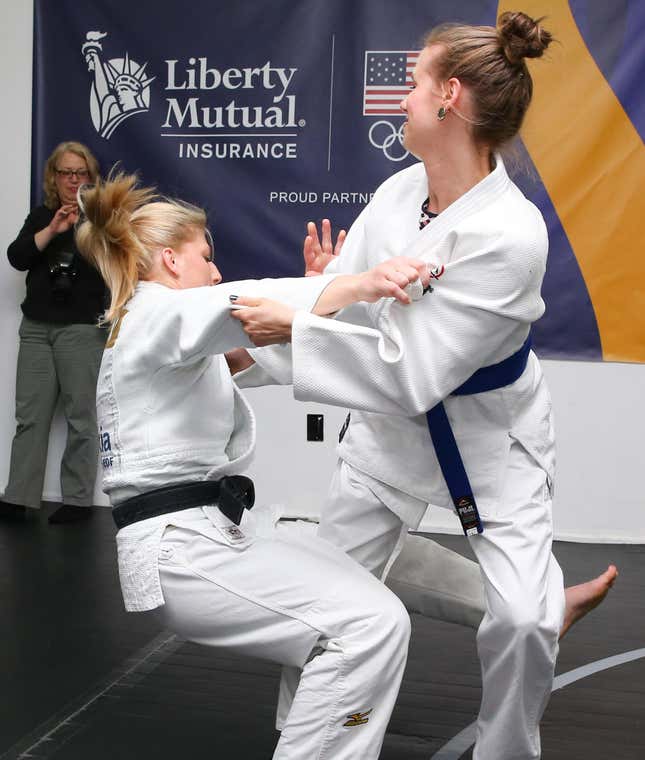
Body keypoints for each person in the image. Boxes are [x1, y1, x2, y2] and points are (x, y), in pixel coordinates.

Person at [228, 12, 617, 759]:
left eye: (410, 81)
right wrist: (300, 315)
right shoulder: (401, 192)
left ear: (450, 96)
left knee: (524, 623)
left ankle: (505, 749)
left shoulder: (510, 233)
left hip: (488, 442)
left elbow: (407, 370)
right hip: (390, 439)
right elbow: (354, 302)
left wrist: (295, 326)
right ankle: (304, 740)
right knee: (323, 600)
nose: (398, 96)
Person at [73, 171, 436, 760]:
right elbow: (237, 301)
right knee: (369, 626)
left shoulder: (158, 334)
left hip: (201, 537)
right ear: (168, 260)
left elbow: (265, 354)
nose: (214, 270)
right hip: (182, 548)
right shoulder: (156, 314)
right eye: (205, 257)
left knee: (350, 577)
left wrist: (320, 301)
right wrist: (357, 283)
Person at [1, 141, 108, 524]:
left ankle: (78, 501)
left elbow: (120, 265)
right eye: (66, 173)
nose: (72, 180)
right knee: (30, 417)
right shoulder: (42, 215)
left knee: (82, 417)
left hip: (82, 329)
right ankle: (18, 496)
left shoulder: (102, 218)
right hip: (36, 330)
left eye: (80, 173)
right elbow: (18, 257)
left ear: (90, 178)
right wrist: (53, 228)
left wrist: (85, 227)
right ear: (54, 176)